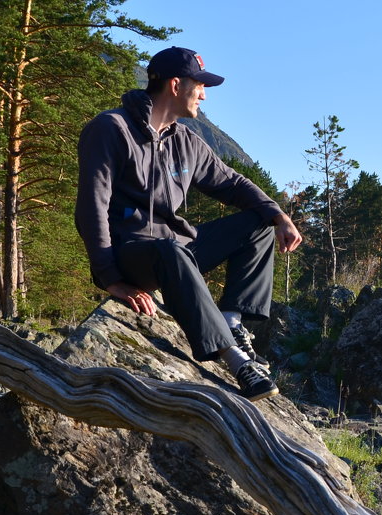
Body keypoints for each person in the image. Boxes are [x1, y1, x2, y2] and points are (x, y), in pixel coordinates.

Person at [75, 46, 302, 401]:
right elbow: (92, 206)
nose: (204, 94)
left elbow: (232, 183)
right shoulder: (111, 129)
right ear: (176, 85)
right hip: (132, 253)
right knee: (170, 250)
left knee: (257, 222)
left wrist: (279, 215)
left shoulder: (185, 141)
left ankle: (231, 320)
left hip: (176, 249)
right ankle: (235, 360)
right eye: (200, 85)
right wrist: (111, 279)